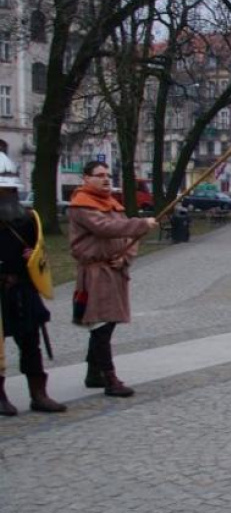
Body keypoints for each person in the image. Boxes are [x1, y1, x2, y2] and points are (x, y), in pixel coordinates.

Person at [69, 162, 159, 398]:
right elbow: (105, 228)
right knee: (101, 324)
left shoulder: (112, 204)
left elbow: (130, 236)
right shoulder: (81, 206)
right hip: (96, 272)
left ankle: (93, 373)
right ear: (86, 179)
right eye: (99, 175)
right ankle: (109, 378)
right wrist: (140, 223)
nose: (106, 179)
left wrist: (126, 258)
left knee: (106, 324)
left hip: (114, 271)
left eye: (108, 175)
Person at [0, 155, 65, 416]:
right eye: (5, 190)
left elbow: (40, 254)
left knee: (31, 343)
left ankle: (39, 394)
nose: (9, 195)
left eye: (12, 190)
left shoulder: (26, 220)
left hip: (22, 289)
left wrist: (34, 257)